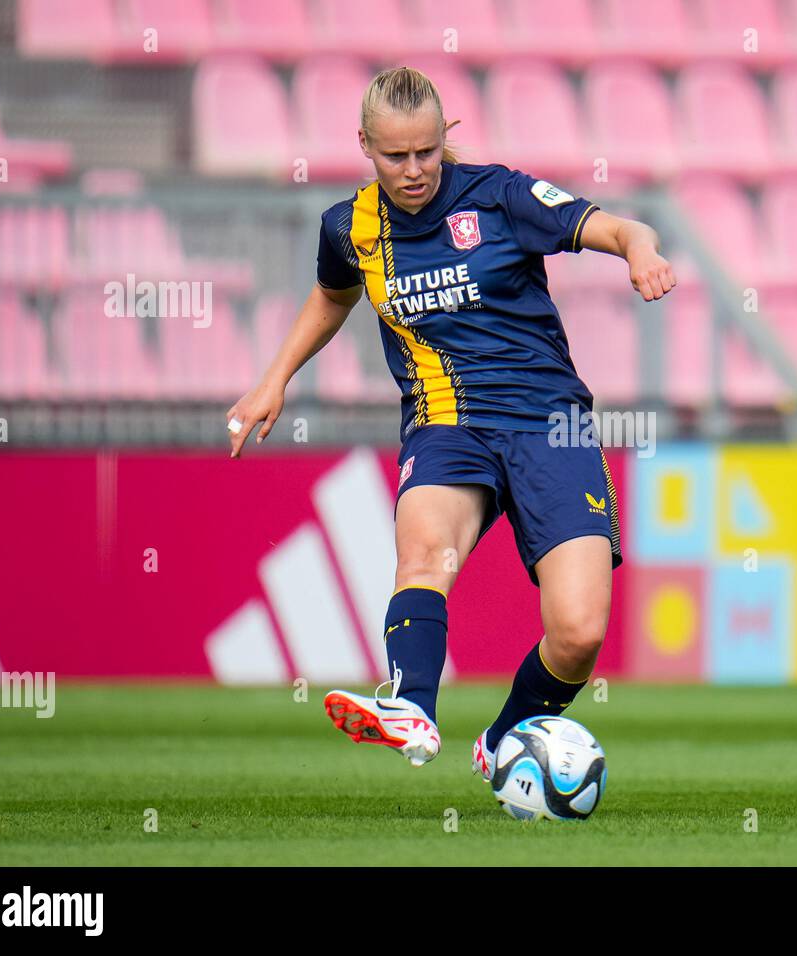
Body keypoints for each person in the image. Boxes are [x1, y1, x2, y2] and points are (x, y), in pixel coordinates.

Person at [225, 66, 676, 779]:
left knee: (580, 632)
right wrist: (273, 381)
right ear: (366, 146)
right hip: (446, 422)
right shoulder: (350, 228)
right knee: (424, 556)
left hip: (547, 421)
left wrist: (641, 252)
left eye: (428, 152)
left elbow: (617, 226)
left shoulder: (500, 195)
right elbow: (332, 297)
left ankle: (502, 741)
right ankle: (413, 708)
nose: (414, 170)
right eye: (396, 155)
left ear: (447, 139)